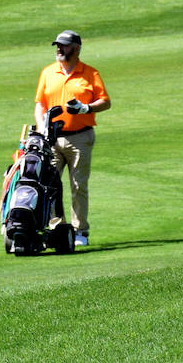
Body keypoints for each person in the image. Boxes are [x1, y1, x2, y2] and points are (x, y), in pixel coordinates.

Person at [34, 30, 111, 247]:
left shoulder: (90, 73)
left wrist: (86, 108)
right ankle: (58, 229)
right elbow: (40, 104)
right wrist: (41, 128)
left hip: (80, 138)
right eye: (58, 45)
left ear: (76, 49)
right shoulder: (48, 72)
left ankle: (80, 232)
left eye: (64, 46)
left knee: (78, 186)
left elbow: (105, 101)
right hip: (51, 139)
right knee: (50, 186)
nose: (59, 49)